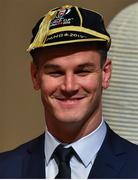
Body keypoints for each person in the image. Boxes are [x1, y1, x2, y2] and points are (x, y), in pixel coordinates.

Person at [0, 4, 138, 179]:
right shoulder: (5, 170)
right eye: (55, 72)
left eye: (83, 71)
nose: (69, 86)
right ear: (35, 76)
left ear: (105, 74)